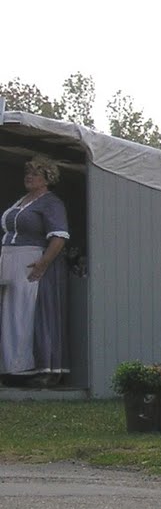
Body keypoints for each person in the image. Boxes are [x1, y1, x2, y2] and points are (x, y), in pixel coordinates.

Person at [1, 155, 71, 386]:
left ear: (47, 179)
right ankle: (12, 368)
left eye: (35, 174)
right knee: (11, 315)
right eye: (28, 173)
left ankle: (39, 368)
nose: (29, 177)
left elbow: (59, 237)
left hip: (31, 260)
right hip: (10, 259)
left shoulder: (51, 203)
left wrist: (43, 264)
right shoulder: (22, 200)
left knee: (27, 314)